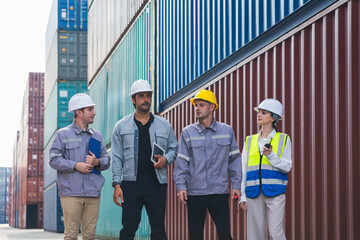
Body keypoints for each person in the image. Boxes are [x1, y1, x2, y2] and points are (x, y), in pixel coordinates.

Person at [111, 79, 178, 240]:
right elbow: (117, 157)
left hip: (156, 183)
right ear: (133, 100)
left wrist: (165, 160)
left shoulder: (164, 125)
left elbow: (174, 148)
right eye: (141, 96)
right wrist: (116, 184)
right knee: (128, 228)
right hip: (130, 184)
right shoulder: (121, 127)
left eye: (148, 95)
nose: (146, 99)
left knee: (158, 230)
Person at [173, 89, 242, 240]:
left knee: (225, 234)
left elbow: (235, 160)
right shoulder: (188, 132)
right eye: (196, 105)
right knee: (195, 236)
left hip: (219, 192)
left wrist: (236, 185)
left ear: (212, 107)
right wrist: (181, 187)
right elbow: (181, 162)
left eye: (201, 105)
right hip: (195, 192)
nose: (197, 108)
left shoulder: (227, 130)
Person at [49, 93, 111, 240]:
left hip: (93, 194)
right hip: (71, 193)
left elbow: (107, 160)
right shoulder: (62, 135)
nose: (94, 113)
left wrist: (97, 162)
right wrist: (76, 165)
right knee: (70, 236)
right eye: (90, 109)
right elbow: (53, 160)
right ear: (79, 112)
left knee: (89, 236)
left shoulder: (97, 136)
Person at [239, 98, 292, 240]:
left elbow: (287, 167)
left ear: (274, 118)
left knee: (276, 233)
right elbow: (243, 169)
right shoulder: (249, 140)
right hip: (253, 192)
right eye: (259, 112)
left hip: (275, 193)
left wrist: (271, 156)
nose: (259, 114)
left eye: (263, 112)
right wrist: (242, 195)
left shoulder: (284, 139)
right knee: (255, 235)